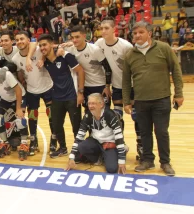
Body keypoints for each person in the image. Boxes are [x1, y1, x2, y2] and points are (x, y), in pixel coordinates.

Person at [122, 21, 184, 176]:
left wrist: (179, 93)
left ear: (149, 33)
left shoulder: (163, 48)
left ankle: (165, 162)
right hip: (141, 101)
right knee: (144, 132)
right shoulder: (130, 55)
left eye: (141, 32)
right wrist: (126, 101)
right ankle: (147, 160)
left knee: (162, 132)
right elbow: (125, 81)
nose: (137, 35)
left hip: (161, 99)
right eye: (135, 33)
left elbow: (176, 70)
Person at [94, 17, 140, 160]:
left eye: (106, 28)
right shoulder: (99, 43)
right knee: (117, 118)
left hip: (133, 86)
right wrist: (107, 85)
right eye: (101, 28)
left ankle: (142, 148)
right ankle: (121, 145)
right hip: (117, 86)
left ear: (114, 29)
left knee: (137, 117)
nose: (103, 31)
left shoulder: (125, 46)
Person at [38, 34, 85, 159]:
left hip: (72, 97)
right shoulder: (45, 62)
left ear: (51, 44)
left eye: (45, 45)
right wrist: (42, 58)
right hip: (56, 98)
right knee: (57, 125)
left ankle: (79, 150)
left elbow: (80, 71)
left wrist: (80, 93)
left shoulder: (66, 56)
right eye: (40, 46)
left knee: (76, 126)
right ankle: (63, 148)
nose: (42, 48)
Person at [11, 31, 55, 155]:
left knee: (51, 115)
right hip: (31, 90)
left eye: (22, 39)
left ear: (28, 40)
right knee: (32, 116)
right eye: (17, 39)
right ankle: (33, 140)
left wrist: (40, 58)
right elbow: (20, 73)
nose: (19, 41)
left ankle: (54, 138)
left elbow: (38, 45)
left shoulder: (38, 49)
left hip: (48, 87)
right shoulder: (15, 58)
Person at [66, 93, 127, 174]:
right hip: (96, 142)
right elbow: (79, 137)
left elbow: (119, 138)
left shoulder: (110, 115)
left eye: (93, 103)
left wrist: (122, 161)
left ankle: (121, 150)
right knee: (82, 146)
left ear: (101, 104)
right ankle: (100, 157)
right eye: (89, 103)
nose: (90, 106)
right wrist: (71, 158)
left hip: (109, 144)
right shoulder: (87, 116)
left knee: (112, 169)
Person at [0, 59, 29, 161]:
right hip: (5, 99)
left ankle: (24, 144)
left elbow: (18, 90)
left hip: (19, 96)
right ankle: (5, 143)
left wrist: (18, 108)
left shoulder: (6, 75)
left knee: (19, 119)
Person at [61, 26, 112, 112]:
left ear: (84, 36)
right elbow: (52, 46)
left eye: (77, 37)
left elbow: (107, 68)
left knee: (104, 113)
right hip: (85, 87)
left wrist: (107, 86)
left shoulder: (95, 50)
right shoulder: (70, 49)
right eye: (72, 38)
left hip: (100, 86)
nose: (74, 40)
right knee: (88, 114)